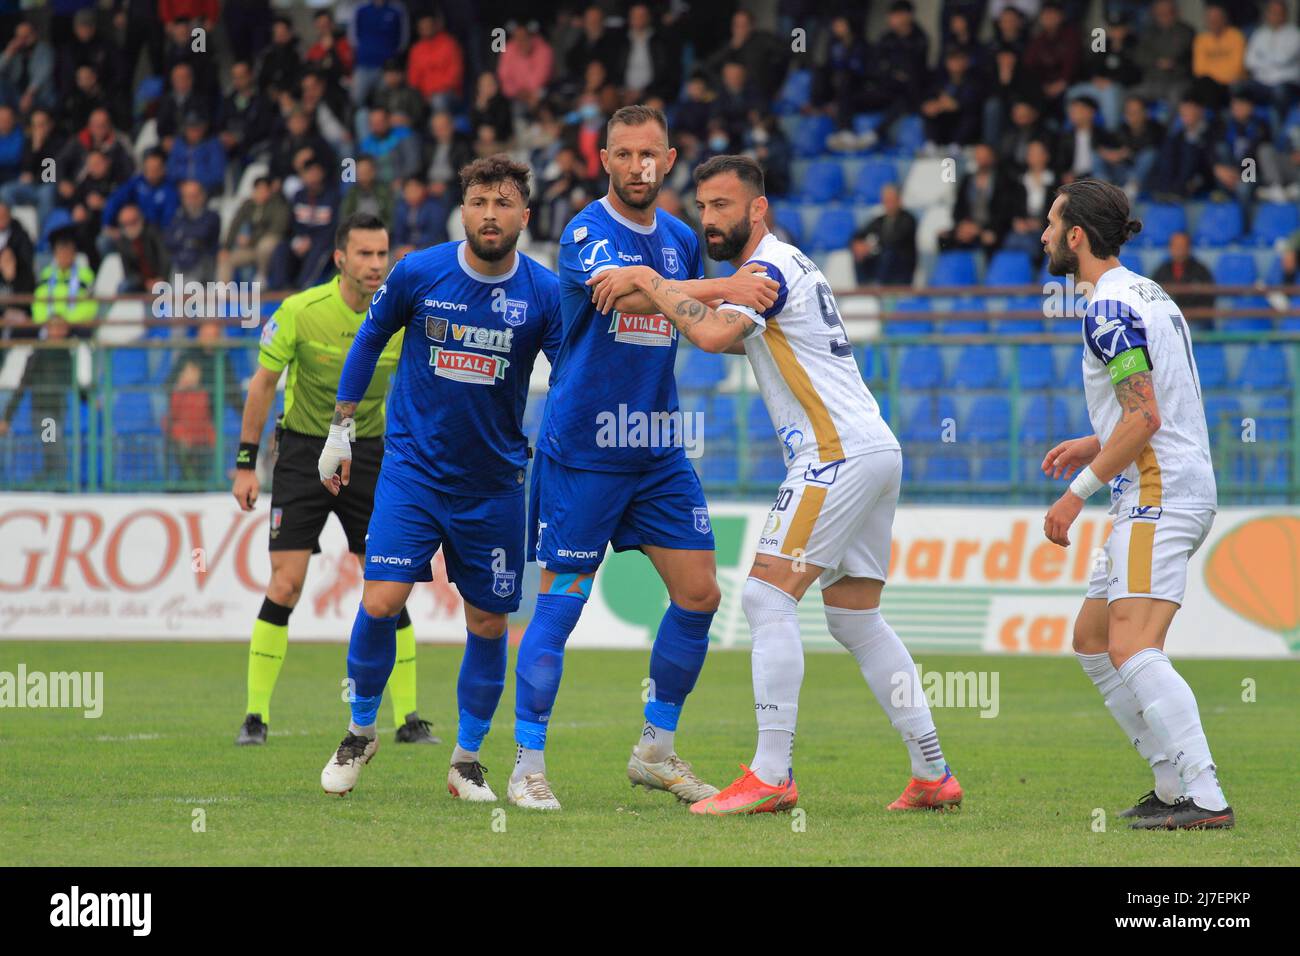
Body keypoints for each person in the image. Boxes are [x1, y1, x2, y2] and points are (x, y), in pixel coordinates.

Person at [591, 154, 962, 815]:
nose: (709, 218)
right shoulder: (780, 270)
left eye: (723, 206)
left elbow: (708, 336)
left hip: (834, 454)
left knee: (765, 598)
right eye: (702, 206)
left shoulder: (767, 269)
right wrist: (687, 294)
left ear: (757, 209)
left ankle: (771, 774)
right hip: (874, 449)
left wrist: (648, 277)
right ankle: (931, 770)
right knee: (856, 617)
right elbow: (737, 336)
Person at [505, 105, 779, 810]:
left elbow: (665, 304)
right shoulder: (583, 232)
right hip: (585, 448)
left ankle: (656, 751)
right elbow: (615, 286)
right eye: (623, 154)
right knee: (560, 607)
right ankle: (527, 765)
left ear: (670, 158)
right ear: (604, 160)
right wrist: (724, 286)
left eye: (649, 154)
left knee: (699, 595)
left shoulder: (683, 240)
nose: (637, 167)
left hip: (656, 447)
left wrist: (675, 286)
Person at [315, 157, 562, 801]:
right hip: (413, 475)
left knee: (486, 624)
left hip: (497, 486)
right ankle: (361, 730)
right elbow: (369, 342)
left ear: (523, 216)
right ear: (462, 208)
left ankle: (465, 761)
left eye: (503, 202)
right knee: (380, 602)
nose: (489, 213)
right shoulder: (420, 272)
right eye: (479, 200)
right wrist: (341, 429)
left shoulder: (543, 292)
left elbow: (571, 377)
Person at [1039, 178, 1232, 829]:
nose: (1041, 236)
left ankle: (1204, 795)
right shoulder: (1147, 293)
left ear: (1074, 236)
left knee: (1132, 646)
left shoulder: (1105, 310)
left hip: (1157, 492)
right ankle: (1171, 781)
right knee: (1094, 641)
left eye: (1050, 224)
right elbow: (1155, 405)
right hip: (1167, 482)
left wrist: (1075, 493)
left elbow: (1145, 416)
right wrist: (1095, 439)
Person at [232, 212, 435, 748]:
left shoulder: (404, 315)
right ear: (340, 258)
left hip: (370, 456)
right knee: (286, 584)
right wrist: (245, 463)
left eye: (382, 253)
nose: (375, 264)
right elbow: (262, 385)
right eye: (364, 254)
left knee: (389, 584)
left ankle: (409, 718)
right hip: (302, 452)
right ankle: (255, 716)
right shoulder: (300, 312)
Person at [851, 183, 917, 285]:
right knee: (860, 253)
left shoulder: (908, 219)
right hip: (881, 262)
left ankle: (880, 286)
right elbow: (860, 233)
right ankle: (863, 289)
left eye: (891, 201)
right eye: (886, 201)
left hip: (901, 267)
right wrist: (858, 244)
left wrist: (869, 247)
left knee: (888, 253)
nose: (888, 204)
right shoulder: (880, 220)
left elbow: (894, 241)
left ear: (899, 201)